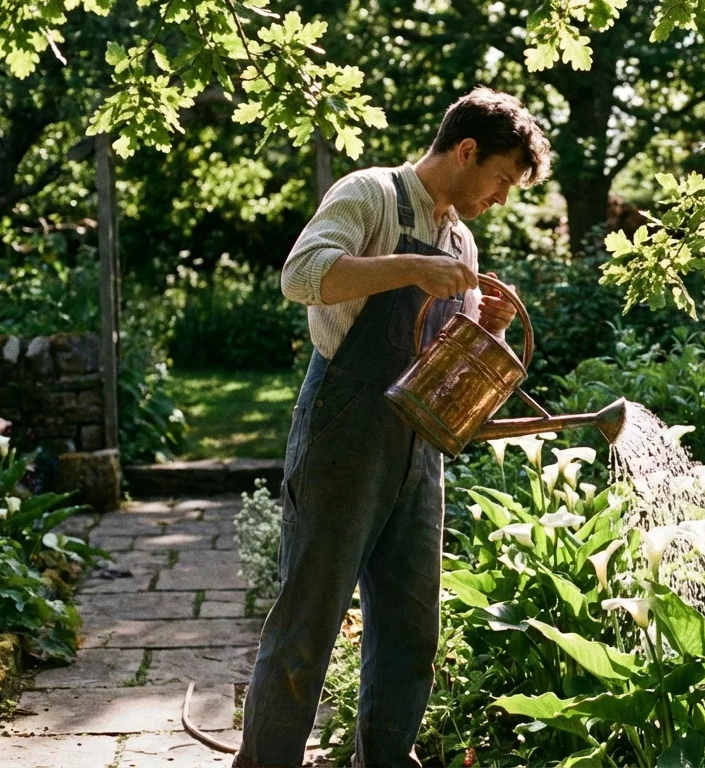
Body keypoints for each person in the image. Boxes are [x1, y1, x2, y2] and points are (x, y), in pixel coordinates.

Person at [235, 87, 551, 767]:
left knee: (411, 634)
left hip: (418, 445)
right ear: (466, 151)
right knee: (307, 625)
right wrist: (414, 267)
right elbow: (302, 275)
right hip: (343, 431)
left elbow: (437, 355)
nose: (498, 199)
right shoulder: (371, 194)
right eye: (498, 179)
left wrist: (484, 325)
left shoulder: (459, 239)